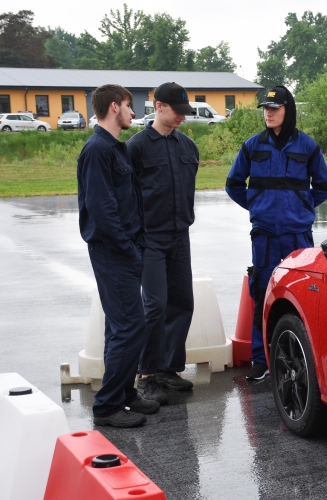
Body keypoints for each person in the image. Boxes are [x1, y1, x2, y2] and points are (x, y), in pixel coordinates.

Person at [226, 85, 327, 380]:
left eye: (274, 108)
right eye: (265, 109)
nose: (269, 113)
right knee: (262, 294)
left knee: (301, 296)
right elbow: (233, 184)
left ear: (288, 110)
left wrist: (302, 205)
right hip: (264, 235)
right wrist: (256, 205)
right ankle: (261, 360)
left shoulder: (307, 146)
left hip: (297, 235)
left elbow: (324, 186)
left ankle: (300, 356)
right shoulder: (252, 146)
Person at [77, 84, 159, 428]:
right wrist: (127, 248)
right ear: (113, 107)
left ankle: (125, 395)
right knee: (130, 327)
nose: (133, 113)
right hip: (113, 253)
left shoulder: (116, 148)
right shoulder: (97, 150)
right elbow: (101, 207)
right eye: (129, 106)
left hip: (126, 249)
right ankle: (107, 405)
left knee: (120, 327)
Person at [127, 82, 199, 405]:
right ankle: (146, 374)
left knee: (182, 302)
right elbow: (126, 197)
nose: (182, 117)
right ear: (158, 107)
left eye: (185, 112)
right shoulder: (136, 148)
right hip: (150, 239)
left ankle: (170, 368)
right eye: (177, 111)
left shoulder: (188, 147)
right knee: (154, 306)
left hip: (180, 236)